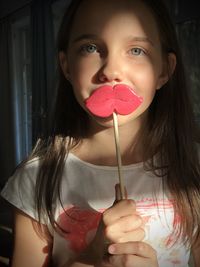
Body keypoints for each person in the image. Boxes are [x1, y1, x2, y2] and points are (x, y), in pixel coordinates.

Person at [1, 0, 200, 266]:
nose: (110, 71)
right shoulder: (36, 179)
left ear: (164, 69)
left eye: (137, 50)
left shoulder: (193, 166)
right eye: (90, 48)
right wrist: (90, 259)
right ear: (67, 66)